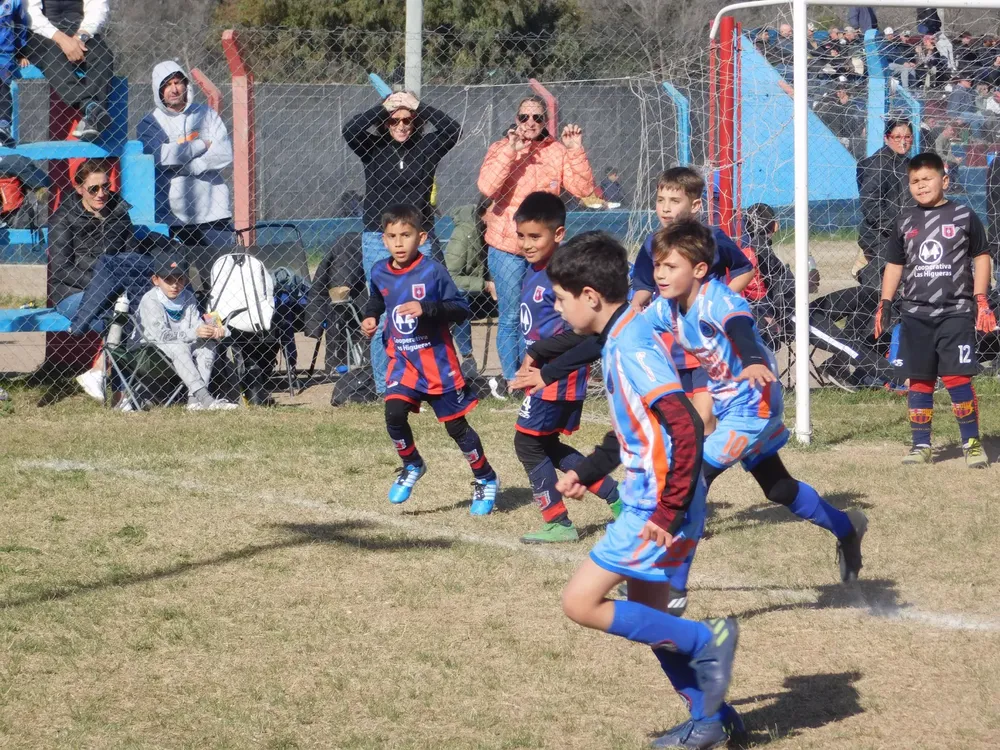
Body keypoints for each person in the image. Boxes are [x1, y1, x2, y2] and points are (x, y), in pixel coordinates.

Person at [545, 231, 743, 750]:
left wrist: (668, 507)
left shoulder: (630, 344)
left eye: (561, 299)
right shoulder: (622, 336)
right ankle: (712, 719)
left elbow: (682, 423)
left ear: (590, 296)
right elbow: (639, 429)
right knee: (651, 620)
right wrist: (587, 471)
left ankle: (708, 640)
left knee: (580, 602)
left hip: (657, 502)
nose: (558, 310)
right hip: (660, 494)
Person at [644, 220, 868, 599]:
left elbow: (741, 330)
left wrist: (750, 359)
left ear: (699, 270)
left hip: (754, 402)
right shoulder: (666, 307)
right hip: (728, 404)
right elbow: (626, 329)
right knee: (778, 488)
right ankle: (846, 527)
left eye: (671, 267)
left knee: (693, 477)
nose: (660, 275)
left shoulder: (720, 300)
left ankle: (673, 589)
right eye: (658, 266)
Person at [361, 204, 500, 513]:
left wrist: (428, 309)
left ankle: (485, 478)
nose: (398, 243)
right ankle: (412, 463)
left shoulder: (432, 271)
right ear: (383, 240)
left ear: (421, 238)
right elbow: (376, 298)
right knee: (394, 413)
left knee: (455, 428)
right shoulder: (380, 270)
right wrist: (370, 316)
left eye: (406, 235)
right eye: (392, 236)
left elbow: (461, 309)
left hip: (437, 365)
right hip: (403, 361)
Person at [508, 193, 621, 544]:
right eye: (522, 236)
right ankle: (618, 498)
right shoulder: (535, 271)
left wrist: (540, 356)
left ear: (558, 235)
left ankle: (558, 521)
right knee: (546, 445)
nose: (527, 244)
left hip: (557, 377)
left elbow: (579, 335)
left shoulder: (561, 279)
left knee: (526, 444)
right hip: (546, 374)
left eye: (535, 237)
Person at [874, 151, 994, 468]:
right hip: (915, 315)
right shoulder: (904, 221)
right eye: (914, 181)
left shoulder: (964, 216)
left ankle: (970, 442)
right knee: (920, 380)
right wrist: (885, 302)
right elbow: (894, 265)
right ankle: (921, 445)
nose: (921, 185)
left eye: (927, 179)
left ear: (944, 180)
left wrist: (981, 299)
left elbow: (982, 256)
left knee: (956, 378)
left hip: (956, 312)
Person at [343, 90, 461, 395]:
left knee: (423, 309)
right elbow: (351, 129)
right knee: (384, 312)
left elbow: (451, 129)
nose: (401, 125)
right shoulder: (373, 147)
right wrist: (385, 107)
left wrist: (416, 104)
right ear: (385, 122)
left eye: (408, 120)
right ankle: (388, 387)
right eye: (395, 120)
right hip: (377, 237)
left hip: (418, 238)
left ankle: (426, 381)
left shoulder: (427, 147)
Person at [477, 95, 595, 388]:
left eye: (537, 118)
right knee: (511, 315)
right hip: (507, 247)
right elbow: (487, 187)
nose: (530, 123)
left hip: (544, 251)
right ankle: (511, 379)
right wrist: (511, 152)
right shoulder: (501, 148)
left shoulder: (556, 151)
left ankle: (541, 374)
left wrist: (575, 151)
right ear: (516, 119)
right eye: (524, 117)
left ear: (545, 121)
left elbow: (583, 188)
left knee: (545, 313)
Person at [629, 167, 754, 433]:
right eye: (660, 200)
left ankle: (703, 468)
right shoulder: (653, 242)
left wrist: (720, 301)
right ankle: (690, 465)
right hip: (671, 344)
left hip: (708, 345)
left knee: (703, 418)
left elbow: (745, 268)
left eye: (675, 201)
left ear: (695, 205)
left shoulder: (712, 238)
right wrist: (639, 300)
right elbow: (643, 282)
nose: (665, 208)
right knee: (681, 420)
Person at [137, 61, 233, 257]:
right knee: (182, 278)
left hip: (214, 212)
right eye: (167, 84)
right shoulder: (150, 122)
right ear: (158, 89)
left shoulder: (206, 114)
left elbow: (224, 153)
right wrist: (201, 145)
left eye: (178, 82)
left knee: (223, 271)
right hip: (174, 216)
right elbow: (161, 156)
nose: (174, 89)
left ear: (186, 85)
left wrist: (194, 165)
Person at [134, 252, 237, 412]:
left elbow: (196, 325)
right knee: (179, 345)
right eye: (168, 280)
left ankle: (194, 401)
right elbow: (163, 337)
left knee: (207, 345)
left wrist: (216, 331)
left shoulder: (188, 297)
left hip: (179, 352)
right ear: (155, 280)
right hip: (150, 353)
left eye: (180, 279)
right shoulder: (151, 300)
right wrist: (196, 332)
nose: (175, 285)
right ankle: (207, 400)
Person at [24, 0, 113, 140]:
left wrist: (81, 36)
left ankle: (93, 119)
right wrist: (61, 38)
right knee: (53, 54)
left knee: (103, 55)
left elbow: (98, 8)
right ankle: (89, 105)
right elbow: (31, 14)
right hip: (43, 34)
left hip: (79, 32)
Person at [443, 198, 494, 380]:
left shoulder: (501, 234)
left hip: (486, 291)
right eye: (495, 212)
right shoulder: (464, 234)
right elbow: (451, 277)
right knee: (461, 297)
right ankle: (467, 356)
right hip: (467, 290)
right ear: (483, 213)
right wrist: (486, 285)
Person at [0, 0, 28, 147]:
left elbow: (21, 26)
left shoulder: (14, 2)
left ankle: (3, 124)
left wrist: (21, 52)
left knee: (3, 85)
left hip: (4, 55)